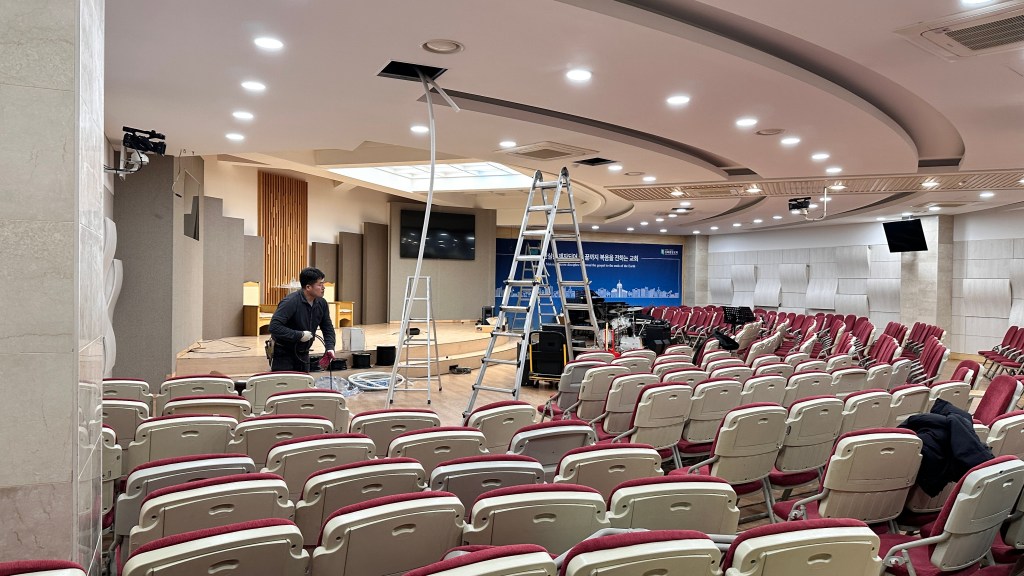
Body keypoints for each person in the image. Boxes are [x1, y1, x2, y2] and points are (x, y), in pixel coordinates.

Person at [268, 267, 336, 372]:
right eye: (320, 284)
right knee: (286, 382)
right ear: (308, 287)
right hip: (283, 354)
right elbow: (274, 327)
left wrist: (330, 348)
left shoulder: (322, 303)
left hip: (304, 353)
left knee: (304, 381)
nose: (323, 287)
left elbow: (328, 328)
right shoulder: (290, 302)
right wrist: (299, 335)